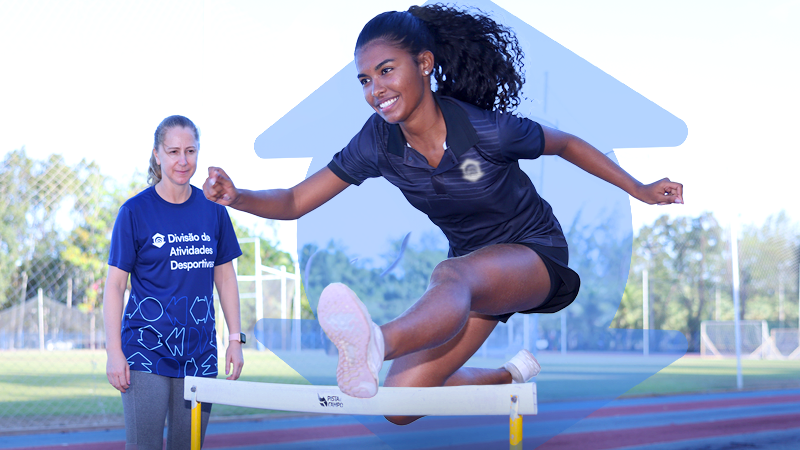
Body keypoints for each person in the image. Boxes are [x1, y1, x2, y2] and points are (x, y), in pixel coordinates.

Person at [203, 4, 682, 425]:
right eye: (366, 80)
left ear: (424, 63)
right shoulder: (377, 141)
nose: (376, 89)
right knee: (396, 403)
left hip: (536, 256)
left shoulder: (485, 130)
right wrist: (236, 195)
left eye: (387, 71)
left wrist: (638, 188)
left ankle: (376, 342)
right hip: (471, 281)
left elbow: (565, 143)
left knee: (451, 273)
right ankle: (509, 375)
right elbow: (293, 202)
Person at [103, 115, 245, 448]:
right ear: (157, 154)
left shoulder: (213, 210)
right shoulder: (134, 211)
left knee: (189, 446)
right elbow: (114, 286)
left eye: (190, 151)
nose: (183, 161)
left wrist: (235, 339)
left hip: (199, 354)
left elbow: (225, 277)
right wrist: (113, 351)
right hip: (144, 351)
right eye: (173, 151)